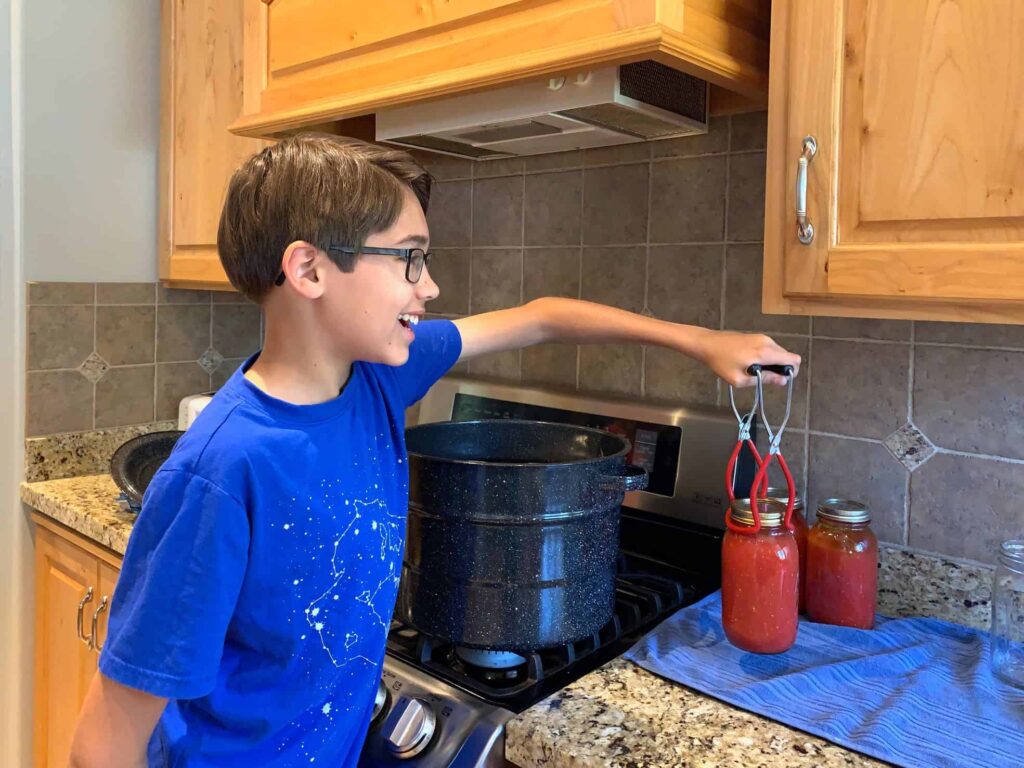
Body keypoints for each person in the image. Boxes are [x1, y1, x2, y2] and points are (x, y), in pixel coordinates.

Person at [68, 134, 800, 767]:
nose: (432, 285)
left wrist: (701, 342)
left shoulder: (382, 378)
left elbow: (541, 319)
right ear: (310, 270)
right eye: (410, 260)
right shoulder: (220, 473)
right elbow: (104, 741)